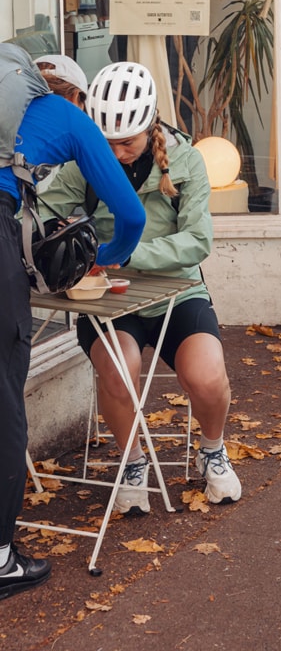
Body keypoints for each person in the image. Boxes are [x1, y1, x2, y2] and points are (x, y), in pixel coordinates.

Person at [40, 61, 242, 515]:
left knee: (206, 377)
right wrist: (61, 237)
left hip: (177, 292)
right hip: (110, 299)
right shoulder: (84, 164)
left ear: (149, 127)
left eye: (126, 143)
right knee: (118, 370)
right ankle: (133, 463)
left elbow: (198, 241)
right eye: (105, 143)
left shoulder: (186, 160)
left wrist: (124, 252)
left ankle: (211, 448)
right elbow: (42, 213)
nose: (114, 154)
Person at [1, 46, 146, 602]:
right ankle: (0, 558)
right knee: (4, 398)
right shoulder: (65, 119)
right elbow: (129, 214)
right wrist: (104, 255)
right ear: (80, 97)